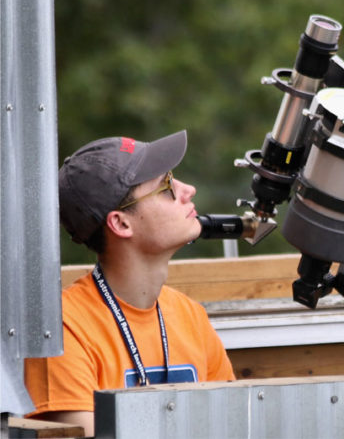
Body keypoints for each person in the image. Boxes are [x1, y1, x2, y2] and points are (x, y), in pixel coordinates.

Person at [23, 131, 235, 436]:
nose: (188, 189)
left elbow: (232, 424)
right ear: (121, 224)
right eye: (166, 187)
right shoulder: (61, 330)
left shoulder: (191, 316)